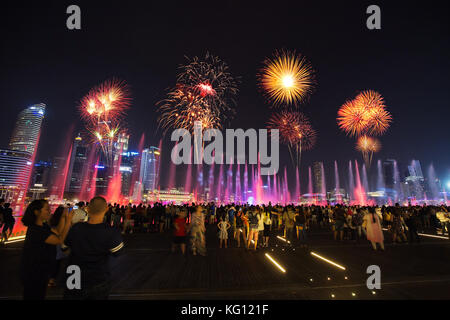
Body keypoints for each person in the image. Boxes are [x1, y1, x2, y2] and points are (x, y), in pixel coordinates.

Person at [63, 196, 124, 300]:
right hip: (98, 278)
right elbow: (118, 252)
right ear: (106, 209)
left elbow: (64, 249)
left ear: (88, 209)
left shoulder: (76, 228)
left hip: (74, 277)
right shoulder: (111, 232)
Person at [21, 200, 73, 300]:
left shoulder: (43, 226)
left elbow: (57, 231)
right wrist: (69, 222)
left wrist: (63, 217)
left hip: (41, 270)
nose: (49, 211)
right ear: (37, 212)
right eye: (46, 209)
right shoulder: (36, 230)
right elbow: (59, 240)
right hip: (34, 272)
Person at [48, 206, 69, 287]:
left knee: (53, 261)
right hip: (59, 243)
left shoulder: (52, 218)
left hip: (52, 242)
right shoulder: (63, 220)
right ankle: (52, 279)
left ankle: (51, 279)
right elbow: (61, 233)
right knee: (57, 263)